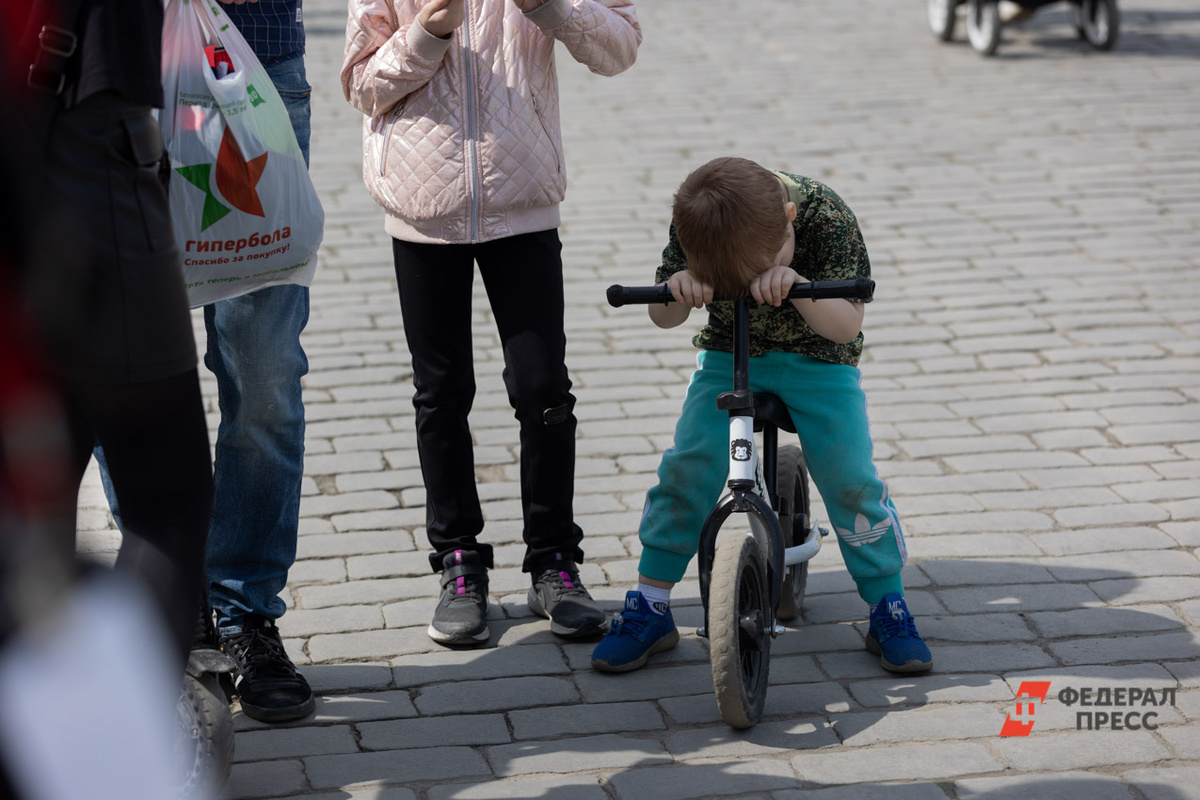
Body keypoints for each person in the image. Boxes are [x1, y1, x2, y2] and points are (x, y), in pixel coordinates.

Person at [341, 0, 641, 646]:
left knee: (543, 390)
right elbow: (363, 86)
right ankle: (458, 562)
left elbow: (620, 48)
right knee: (442, 393)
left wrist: (551, 9)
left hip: (522, 201)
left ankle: (554, 563)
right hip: (422, 211)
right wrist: (429, 31)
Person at [591, 157, 934, 675]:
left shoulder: (828, 216)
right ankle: (651, 602)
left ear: (792, 217)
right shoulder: (702, 219)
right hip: (730, 355)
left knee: (850, 480)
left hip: (819, 361)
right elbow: (663, 314)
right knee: (687, 466)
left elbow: (846, 325)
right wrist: (682, 287)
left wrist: (795, 283)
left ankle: (888, 604)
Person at [96, 0, 317, 723]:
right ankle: (172, 602)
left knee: (265, 374)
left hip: (248, 64)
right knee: (120, 367)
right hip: (100, 79)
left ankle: (247, 611)